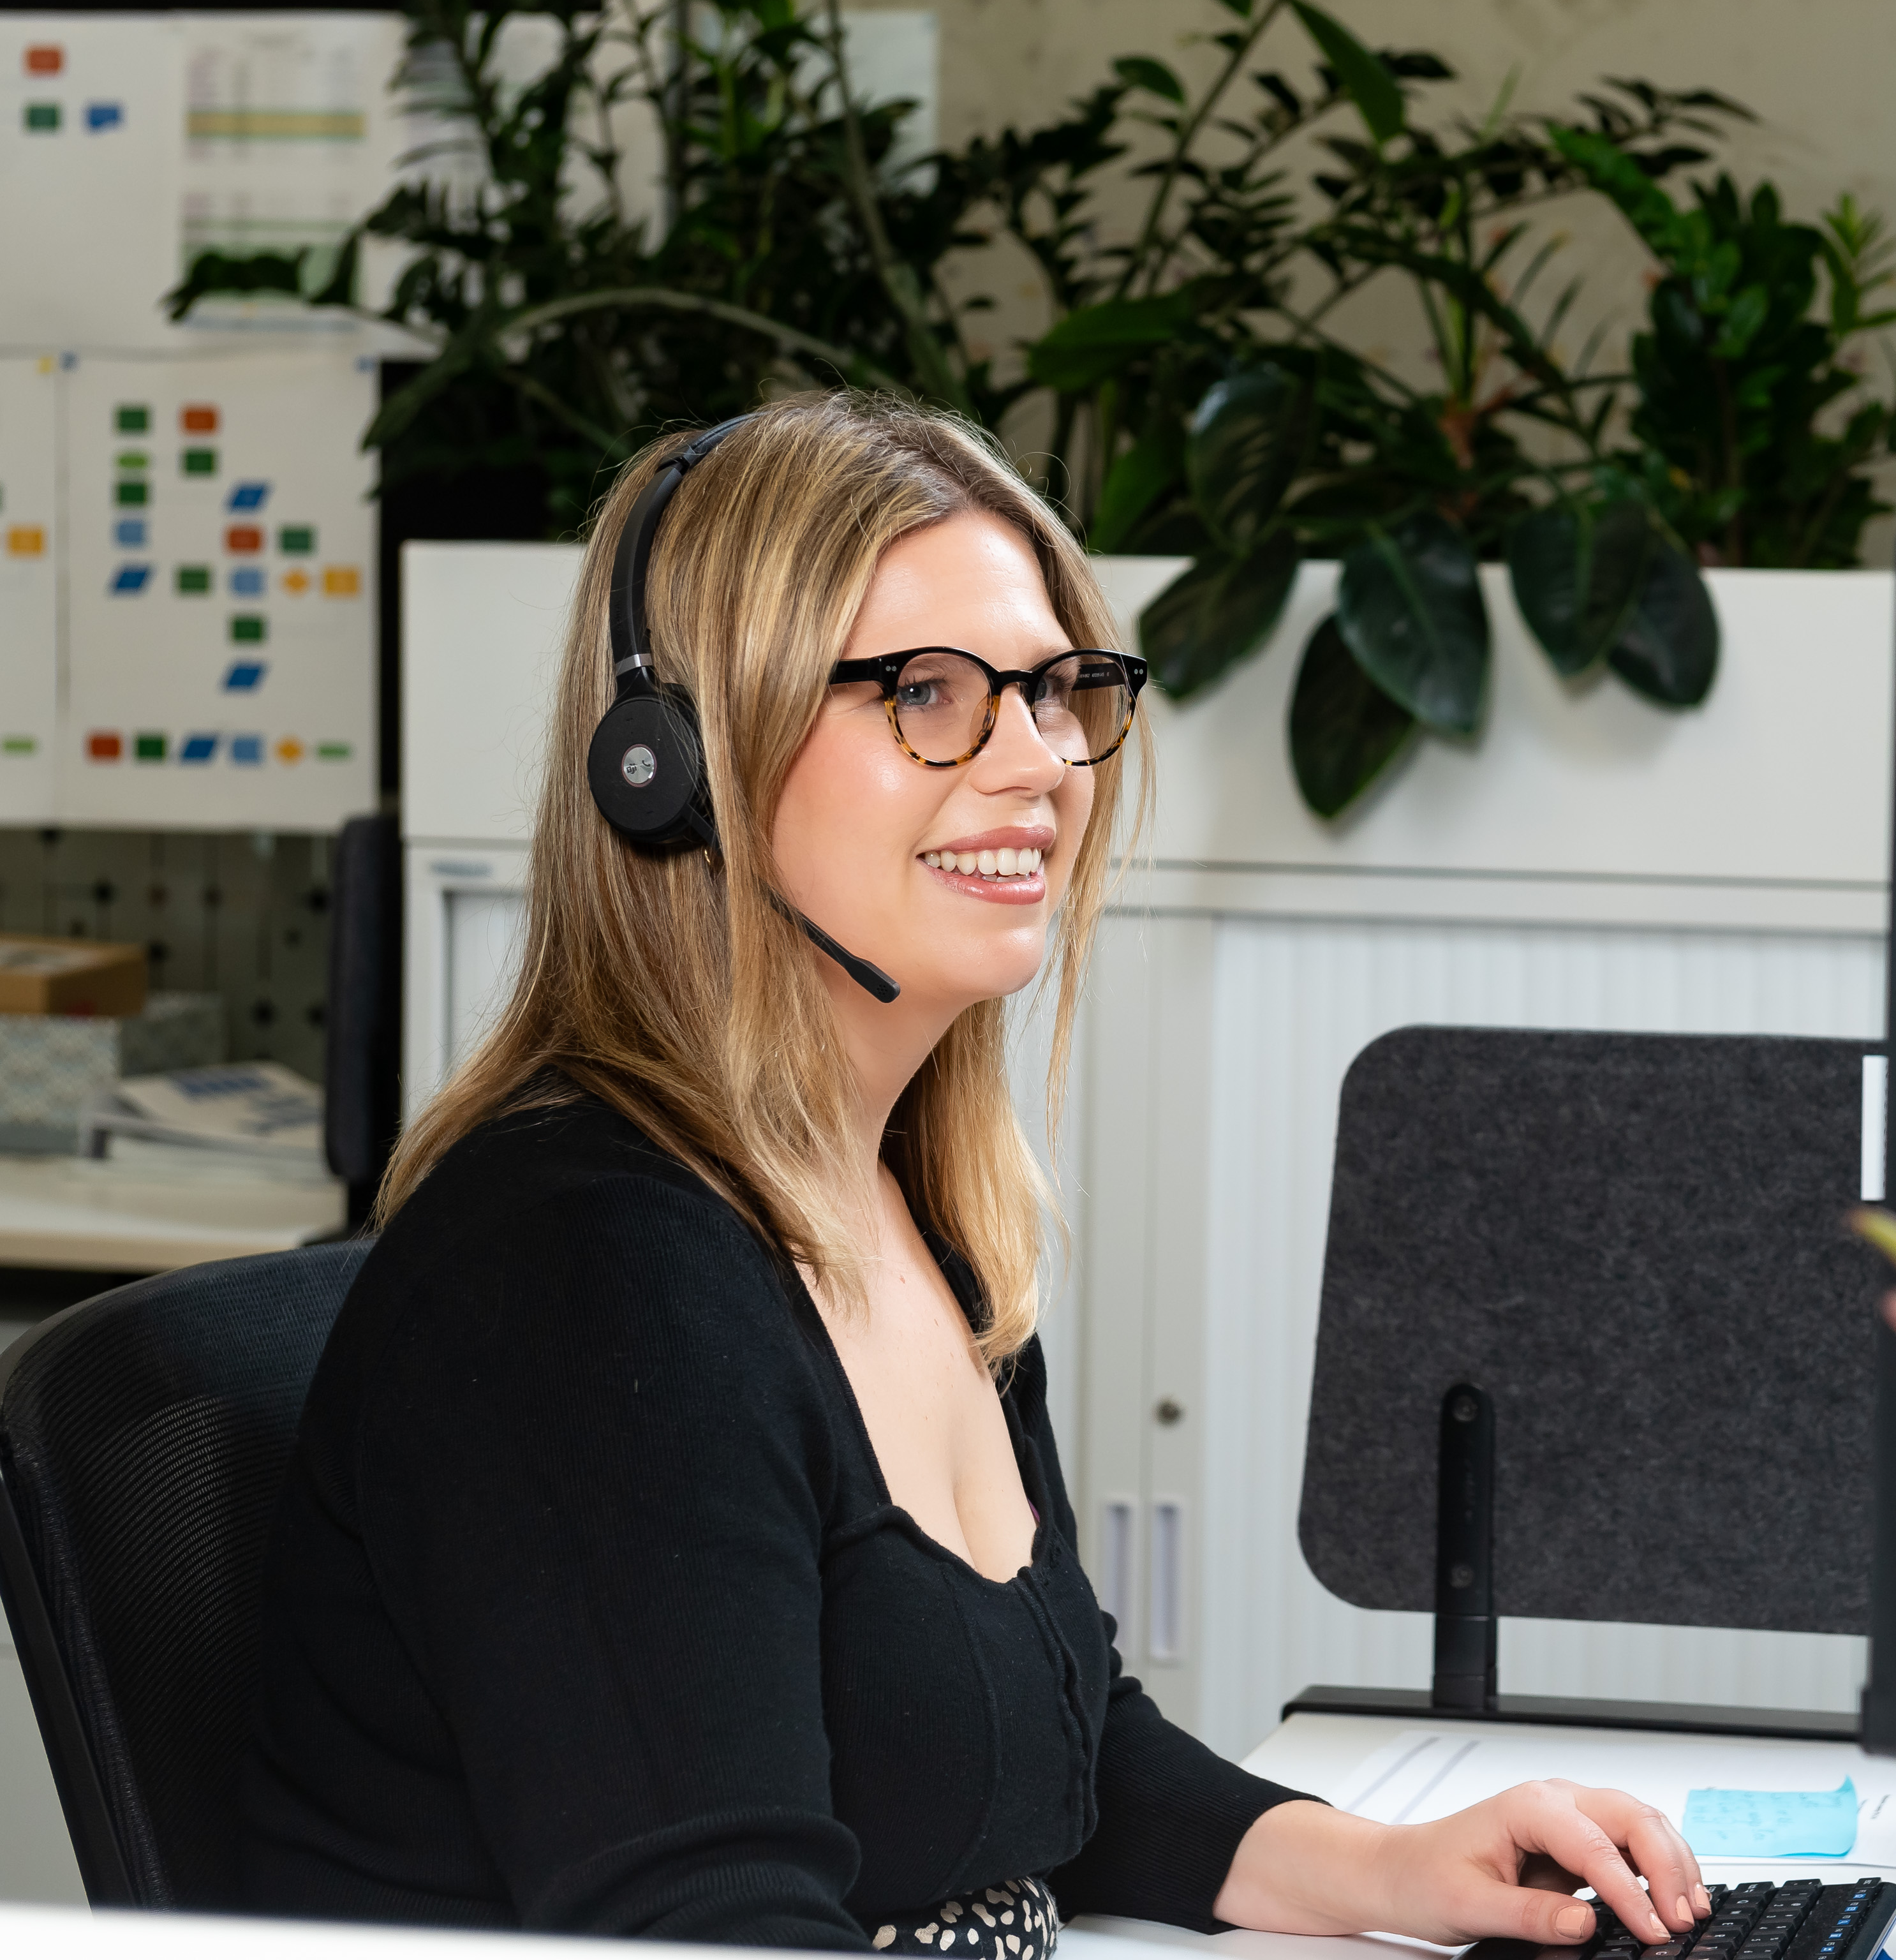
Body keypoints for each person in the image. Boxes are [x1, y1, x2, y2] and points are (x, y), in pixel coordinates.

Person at [239, 392, 1710, 1954]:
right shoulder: (590, 1274)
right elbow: (716, 1927)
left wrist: (1403, 1869)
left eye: (1057, 690)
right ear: (678, 768)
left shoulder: (914, 1213)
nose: (1040, 762)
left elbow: (1058, 1752)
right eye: (928, 694)